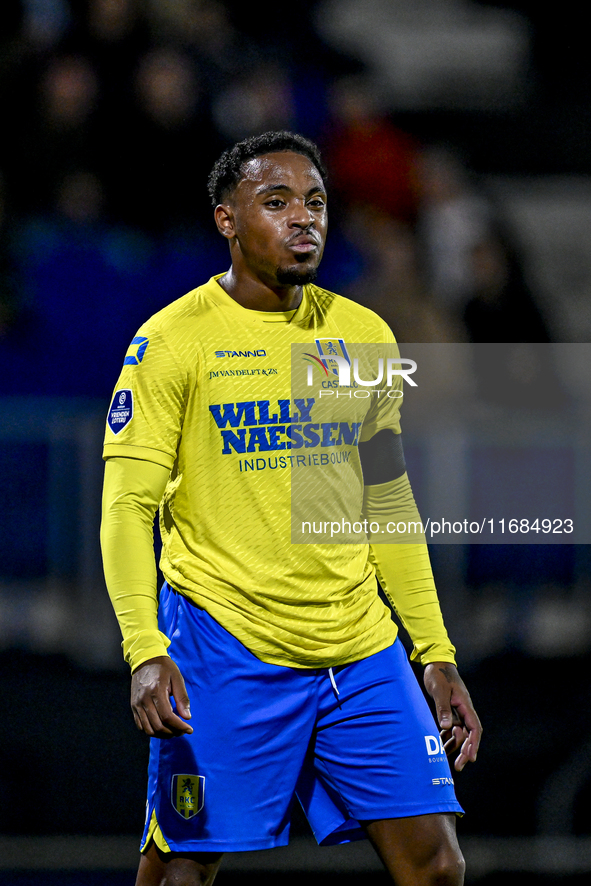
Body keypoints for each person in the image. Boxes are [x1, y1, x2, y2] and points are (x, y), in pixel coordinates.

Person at [100, 131, 482, 886]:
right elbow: (125, 507)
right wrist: (145, 649)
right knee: (182, 871)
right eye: (275, 203)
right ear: (227, 221)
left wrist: (433, 651)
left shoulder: (362, 335)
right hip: (225, 643)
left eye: (314, 202)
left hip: (358, 650)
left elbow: (386, 499)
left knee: (435, 865)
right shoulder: (173, 343)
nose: (303, 219)